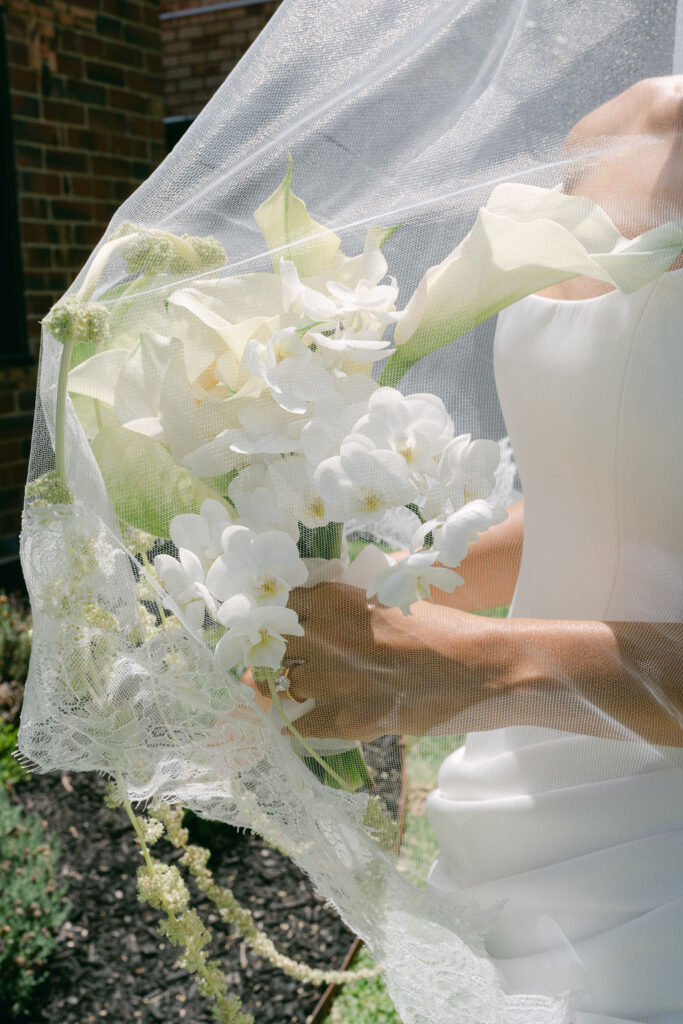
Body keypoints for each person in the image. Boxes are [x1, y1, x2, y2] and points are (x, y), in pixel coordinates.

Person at [265, 75, 683, 1022]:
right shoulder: (609, 130)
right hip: (513, 816)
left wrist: (468, 668)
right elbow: (615, 486)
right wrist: (359, 587)